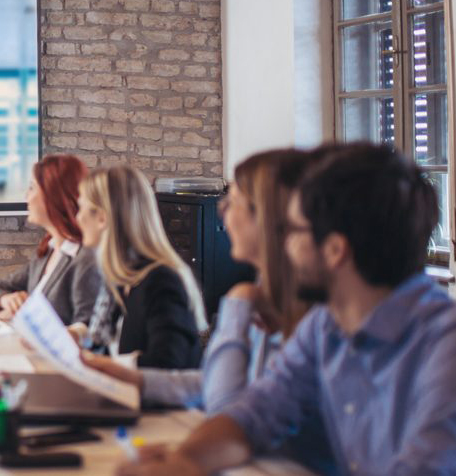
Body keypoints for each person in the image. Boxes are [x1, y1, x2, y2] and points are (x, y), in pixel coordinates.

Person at [120, 143, 456, 476]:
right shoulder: (327, 328)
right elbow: (253, 415)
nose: (283, 244)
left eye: (293, 231)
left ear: (335, 250)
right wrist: (186, 461)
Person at [83, 150, 335, 473]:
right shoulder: (269, 294)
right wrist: (138, 380)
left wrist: (237, 306)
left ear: (269, 219)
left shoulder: (309, 316)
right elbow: (222, 392)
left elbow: (227, 409)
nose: (222, 209)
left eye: (234, 200)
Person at [74, 165, 207, 369]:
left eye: (81, 208)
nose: (77, 218)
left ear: (102, 218)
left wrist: (103, 365)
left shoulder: (161, 280)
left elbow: (167, 364)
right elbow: (105, 346)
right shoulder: (122, 277)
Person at [0, 154, 101, 326]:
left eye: (32, 188)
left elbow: (87, 330)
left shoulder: (86, 259)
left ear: (54, 195)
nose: (27, 196)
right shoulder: (48, 251)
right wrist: (7, 300)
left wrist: (25, 317)